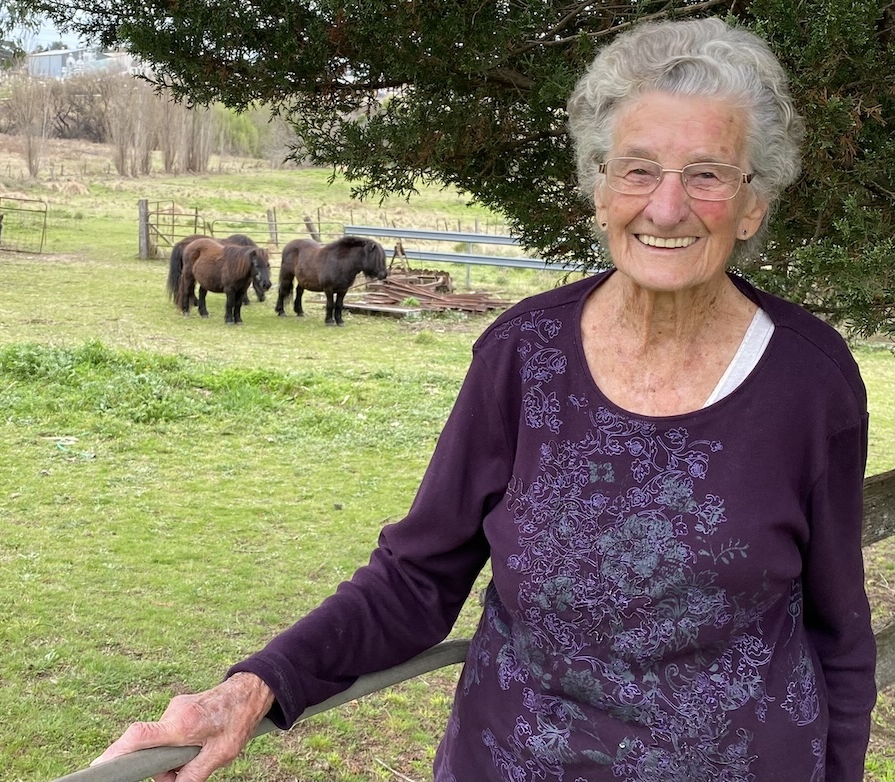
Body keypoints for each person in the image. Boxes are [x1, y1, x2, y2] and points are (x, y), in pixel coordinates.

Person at [94, 16, 876, 781]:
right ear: (599, 191)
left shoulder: (809, 383)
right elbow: (417, 576)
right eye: (637, 170)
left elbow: (839, 636)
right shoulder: (523, 356)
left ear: (752, 204)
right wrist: (250, 689)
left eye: (707, 173)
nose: (665, 206)